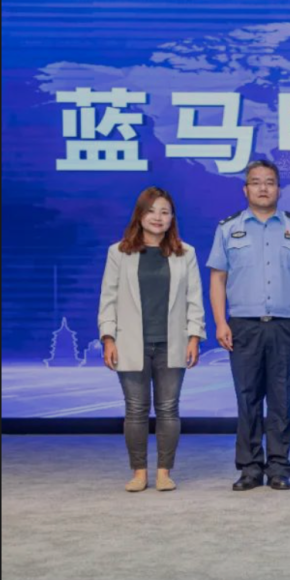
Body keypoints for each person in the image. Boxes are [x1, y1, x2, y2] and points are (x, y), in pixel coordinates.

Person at [207, 160, 290, 492]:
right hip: (243, 325)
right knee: (248, 398)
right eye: (256, 182)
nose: (263, 188)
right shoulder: (228, 229)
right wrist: (220, 322)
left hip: (284, 326)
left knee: (282, 399)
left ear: (279, 189)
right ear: (246, 190)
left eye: (269, 182)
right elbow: (218, 278)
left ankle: (279, 468)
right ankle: (250, 468)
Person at [97, 187, 206, 492]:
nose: (158, 217)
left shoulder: (186, 253)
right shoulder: (119, 252)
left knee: (169, 408)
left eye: (165, 212)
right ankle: (139, 472)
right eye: (151, 211)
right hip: (130, 342)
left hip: (172, 342)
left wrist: (194, 337)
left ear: (172, 218)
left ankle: (164, 472)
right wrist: (108, 338)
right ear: (140, 215)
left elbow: (194, 298)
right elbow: (108, 297)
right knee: (135, 409)